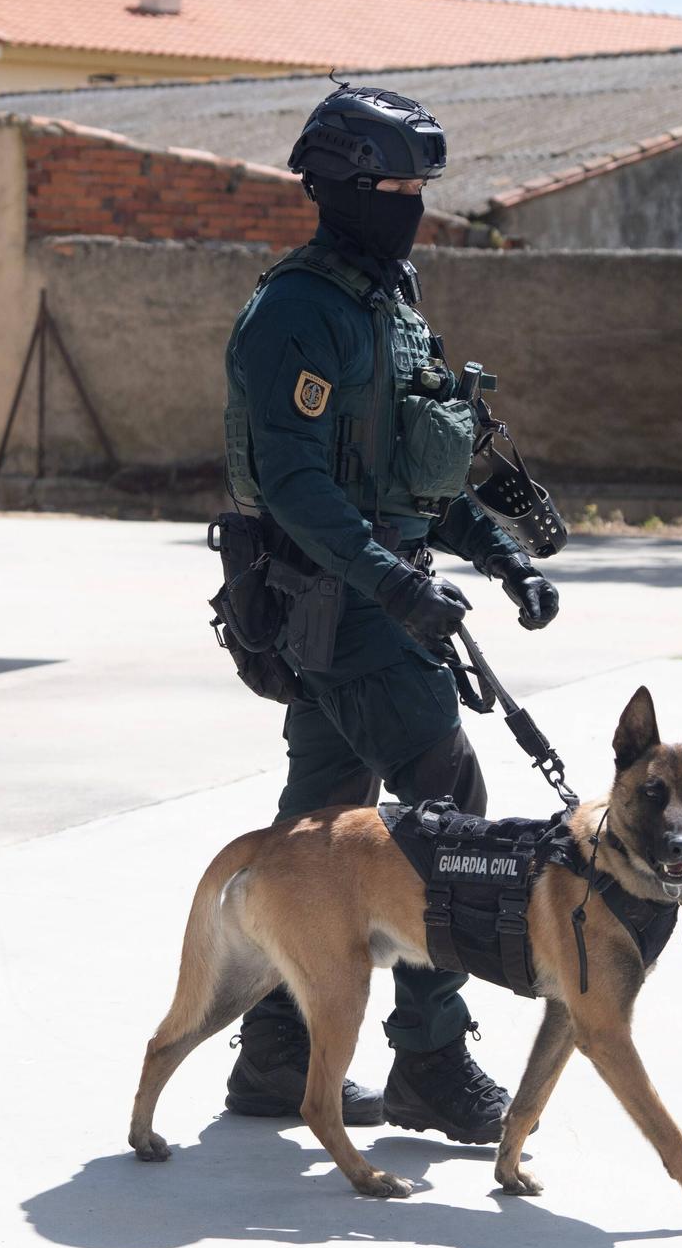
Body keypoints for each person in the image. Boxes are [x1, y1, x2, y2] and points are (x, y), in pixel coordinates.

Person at [219, 85, 562, 1144]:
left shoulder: (388, 305)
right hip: (336, 600)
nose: (410, 203)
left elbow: (409, 477)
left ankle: (279, 1058)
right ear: (336, 189)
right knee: (445, 810)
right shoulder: (296, 312)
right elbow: (291, 479)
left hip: (367, 594)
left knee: (321, 825)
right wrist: (392, 579)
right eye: (392, 186)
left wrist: (500, 556)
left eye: (420, 186)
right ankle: (427, 1058)